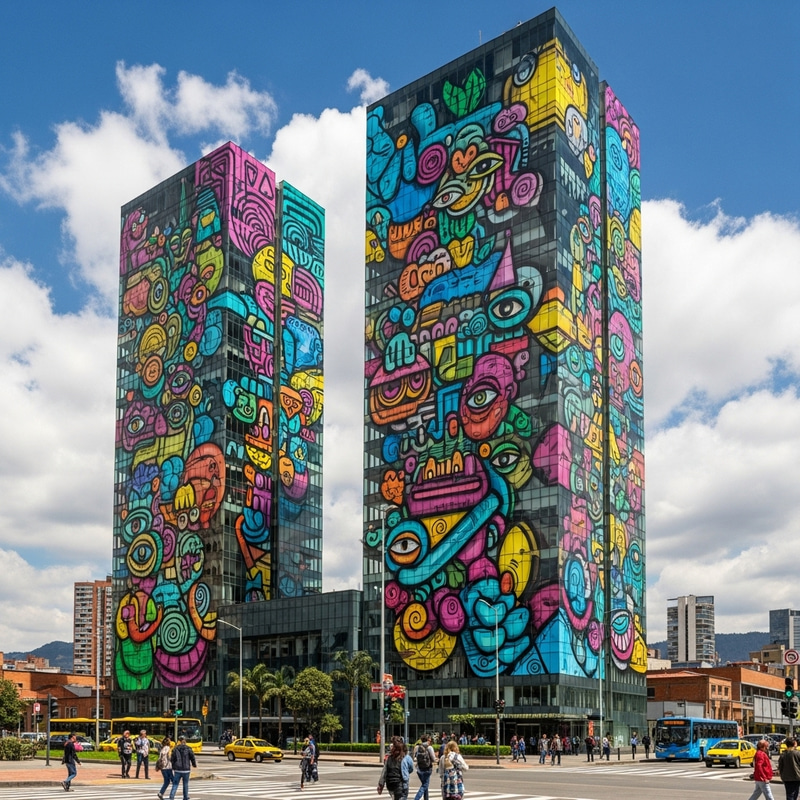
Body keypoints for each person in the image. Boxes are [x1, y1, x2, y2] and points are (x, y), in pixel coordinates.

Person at [168, 734, 196, 800]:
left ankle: (172, 796)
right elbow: (192, 757)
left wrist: (173, 766)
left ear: (179, 741)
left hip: (177, 769)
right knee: (185, 784)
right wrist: (194, 764)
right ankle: (185, 796)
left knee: (175, 784)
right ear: (185, 741)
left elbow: (172, 759)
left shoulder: (175, 749)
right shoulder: (188, 748)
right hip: (186, 769)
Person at [413, 734, 435, 800]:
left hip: (419, 769)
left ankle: (426, 798)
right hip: (427, 768)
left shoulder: (417, 747)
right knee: (425, 785)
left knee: (425, 784)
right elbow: (433, 759)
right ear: (428, 740)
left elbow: (414, 757)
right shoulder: (429, 747)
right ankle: (416, 798)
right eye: (430, 740)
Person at [156, 736, 173, 800]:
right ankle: (172, 795)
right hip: (167, 766)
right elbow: (168, 756)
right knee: (174, 781)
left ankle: (161, 793)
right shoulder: (168, 748)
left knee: (166, 781)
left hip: (162, 767)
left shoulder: (162, 748)